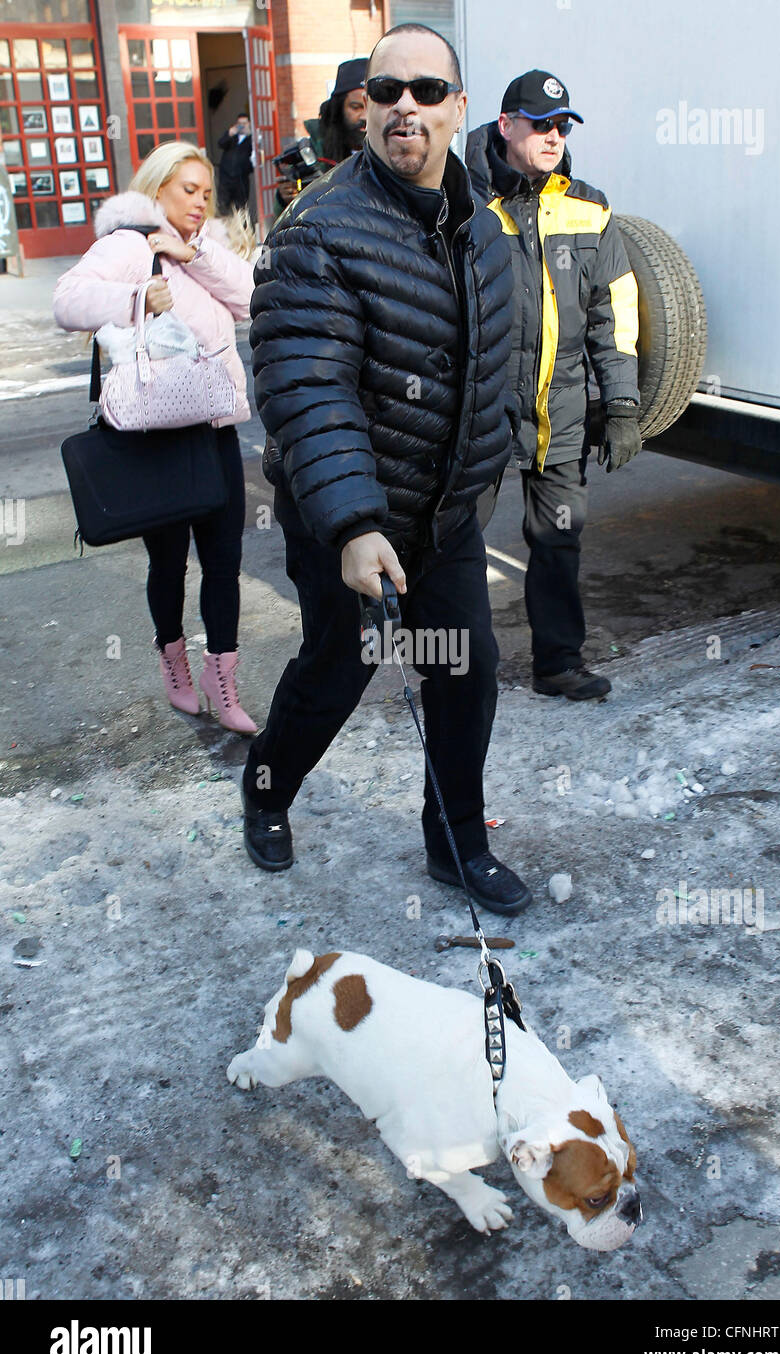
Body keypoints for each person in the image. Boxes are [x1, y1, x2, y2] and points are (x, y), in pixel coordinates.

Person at [242, 23, 533, 917]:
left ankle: (456, 841)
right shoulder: (317, 230)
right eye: (387, 89)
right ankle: (266, 789)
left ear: (458, 109)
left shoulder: (483, 223)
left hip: (444, 513)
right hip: (347, 513)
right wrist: (354, 523)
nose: (406, 104)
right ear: (361, 105)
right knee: (342, 663)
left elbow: (501, 352)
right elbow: (304, 383)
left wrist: (503, 451)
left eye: (428, 90)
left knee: (465, 667)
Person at [53, 141, 259, 734]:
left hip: (214, 429)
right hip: (157, 435)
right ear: (158, 188)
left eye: (205, 193)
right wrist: (135, 297)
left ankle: (226, 688)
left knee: (225, 563)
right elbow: (67, 300)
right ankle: (175, 666)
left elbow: (251, 301)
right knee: (169, 565)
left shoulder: (204, 246)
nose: (199, 202)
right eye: (187, 190)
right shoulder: (126, 243)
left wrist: (191, 256)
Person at [466, 70, 642, 701]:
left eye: (563, 125)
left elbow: (612, 312)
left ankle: (558, 664)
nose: (554, 136)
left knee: (558, 541)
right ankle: (457, 670)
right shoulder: (463, 201)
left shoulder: (589, 206)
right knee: (458, 544)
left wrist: (621, 403)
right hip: (480, 407)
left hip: (560, 408)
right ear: (505, 124)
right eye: (541, 123)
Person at [275, 58, 367, 209]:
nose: (364, 116)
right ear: (338, 109)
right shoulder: (314, 155)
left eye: (371, 106)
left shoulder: (395, 152)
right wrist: (285, 200)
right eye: (356, 107)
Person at [217, 113, 253, 213]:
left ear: (249, 123)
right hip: (226, 177)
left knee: (241, 207)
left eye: (244, 123)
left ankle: (241, 227)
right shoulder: (232, 136)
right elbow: (220, 144)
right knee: (223, 205)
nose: (242, 126)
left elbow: (256, 156)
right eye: (240, 123)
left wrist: (247, 169)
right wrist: (230, 133)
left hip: (241, 178)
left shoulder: (251, 139)